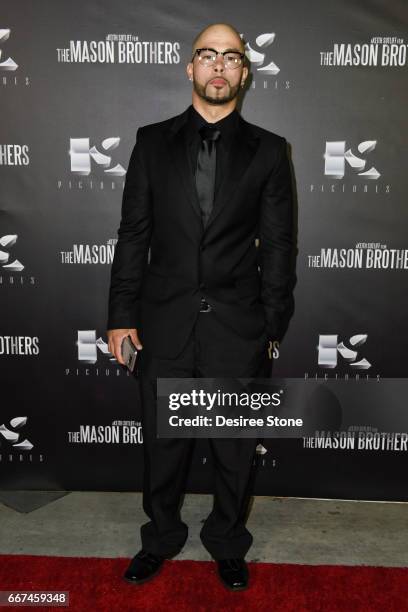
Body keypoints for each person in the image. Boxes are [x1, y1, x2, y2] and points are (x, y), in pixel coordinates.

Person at [107, 22, 296, 591]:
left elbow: (281, 244)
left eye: (230, 57)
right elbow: (132, 235)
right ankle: (160, 538)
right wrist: (121, 315)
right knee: (164, 445)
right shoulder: (150, 141)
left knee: (234, 449)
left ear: (244, 71)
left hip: (238, 326)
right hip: (164, 322)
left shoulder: (269, 150)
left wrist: (271, 321)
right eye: (207, 55)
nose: (219, 66)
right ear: (190, 67)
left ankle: (227, 542)